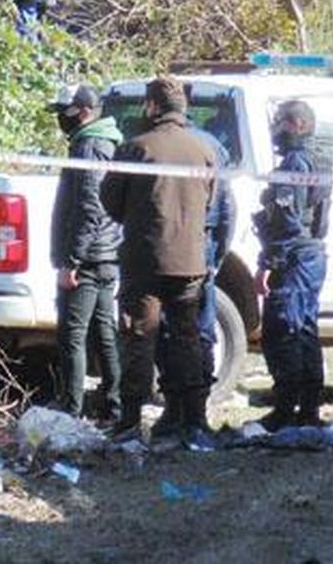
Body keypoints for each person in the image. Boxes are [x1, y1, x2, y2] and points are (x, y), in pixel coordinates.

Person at [99, 77, 216, 447]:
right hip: (190, 262)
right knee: (187, 339)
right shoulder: (204, 151)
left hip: (145, 260)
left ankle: (130, 420)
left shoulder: (136, 149)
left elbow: (111, 202)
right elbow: (210, 203)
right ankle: (194, 419)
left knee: (139, 338)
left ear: (152, 106)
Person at [153, 97, 237, 437]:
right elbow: (227, 209)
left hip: (170, 248)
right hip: (201, 247)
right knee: (196, 332)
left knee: (169, 331)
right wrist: (216, 257)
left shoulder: (151, 146)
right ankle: (194, 415)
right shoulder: (210, 147)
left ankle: (179, 411)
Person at [253, 100, 333, 430]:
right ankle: (308, 409)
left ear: (298, 124)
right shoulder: (319, 159)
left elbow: (288, 221)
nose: (276, 129)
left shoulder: (296, 163)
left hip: (295, 257)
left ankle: (288, 409)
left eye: (281, 122)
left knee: (284, 330)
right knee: (304, 330)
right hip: (310, 254)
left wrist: (268, 263)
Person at [48, 84, 124, 423]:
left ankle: (71, 409)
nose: (60, 119)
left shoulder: (90, 146)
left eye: (64, 112)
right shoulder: (103, 142)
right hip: (105, 252)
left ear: (82, 111)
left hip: (90, 258)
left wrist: (72, 261)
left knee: (73, 334)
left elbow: (89, 208)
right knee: (103, 332)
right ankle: (113, 406)